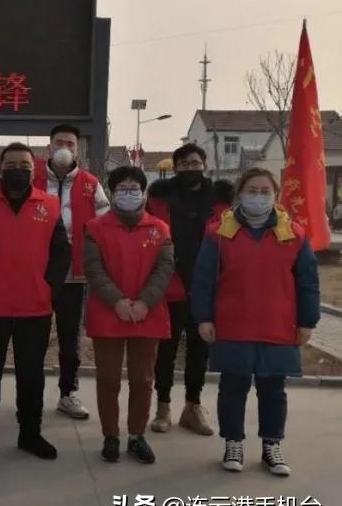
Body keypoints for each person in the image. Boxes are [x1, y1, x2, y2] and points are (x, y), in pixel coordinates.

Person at [191, 168, 319, 477]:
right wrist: (203, 317)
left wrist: (308, 321)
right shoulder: (219, 233)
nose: (258, 196)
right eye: (252, 190)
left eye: (265, 191)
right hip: (233, 323)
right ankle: (233, 442)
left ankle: (271, 445)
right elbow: (204, 280)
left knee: (273, 389)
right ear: (239, 194)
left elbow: (308, 283)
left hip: (278, 325)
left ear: (275, 196)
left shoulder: (294, 234)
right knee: (232, 387)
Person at [0, 143, 71, 460]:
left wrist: (49, 288)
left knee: (32, 375)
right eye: (11, 163)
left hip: (34, 306)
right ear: (1, 167)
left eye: (24, 163)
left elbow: (62, 253)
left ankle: (30, 434)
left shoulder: (48, 205)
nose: (17, 168)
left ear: (33, 169)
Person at [84, 166, 174, 464]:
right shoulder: (95, 228)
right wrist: (118, 301)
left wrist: (145, 302)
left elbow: (164, 270)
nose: (128, 192)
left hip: (147, 314)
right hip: (109, 313)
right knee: (108, 379)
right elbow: (94, 269)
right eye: (121, 188)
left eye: (134, 187)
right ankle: (111, 435)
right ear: (111, 193)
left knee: (143, 379)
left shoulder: (159, 228)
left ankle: (136, 435)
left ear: (144, 191)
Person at [147, 143, 234, 436]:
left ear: (204, 164)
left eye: (195, 162)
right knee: (166, 351)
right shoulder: (160, 199)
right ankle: (162, 406)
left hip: (206, 288)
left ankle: (193, 406)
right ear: (175, 168)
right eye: (183, 164)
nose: (190, 168)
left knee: (200, 351)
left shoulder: (221, 200)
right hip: (169, 287)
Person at [32, 123, 109, 420]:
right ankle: (32, 392)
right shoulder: (32, 177)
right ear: (49, 146)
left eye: (71, 144)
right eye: (59, 142)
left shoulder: (91, 184)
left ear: (79, 149)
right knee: (33, 336)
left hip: (74, 276)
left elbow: (104, 226)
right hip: (37, 273)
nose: (65, 148)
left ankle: (68, 392)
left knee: (69, 337)